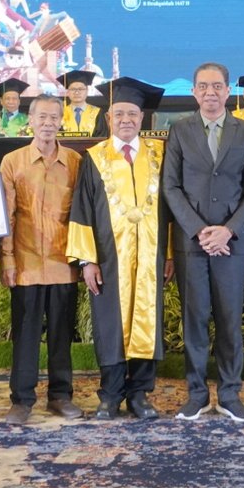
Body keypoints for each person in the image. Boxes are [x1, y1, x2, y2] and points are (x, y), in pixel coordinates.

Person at [161, 62, 244, 422]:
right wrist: (200, 230)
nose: (210, 93)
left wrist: (228, 230)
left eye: (217, 86)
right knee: (195, 320)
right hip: (192, 243)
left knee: (230, 320)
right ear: (193, 92)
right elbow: (170, 186)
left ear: (228, 90)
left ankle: (230, 394)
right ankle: (197, 394)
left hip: (231, 244)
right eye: (203, 86)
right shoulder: (179, 130)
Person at [68, 77, 173, 420]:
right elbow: (82, 209)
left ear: (142, 118)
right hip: (108, 258)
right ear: (108, 118)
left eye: (132, 114)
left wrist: (170, 253)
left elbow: (171, 207)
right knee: (110, 323)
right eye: (119, 114)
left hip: (151, 256)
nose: (126, 119)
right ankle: (110, 395)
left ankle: (140, 394)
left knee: (146, 319)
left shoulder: (159, 154)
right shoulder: (94, 158)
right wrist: (87, 260)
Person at [0, 93, 84, 424]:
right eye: (42, 117)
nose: (48, 123)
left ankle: (60, 396)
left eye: (53, 118)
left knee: (62, 335)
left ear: (61, 121)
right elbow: (6, 216)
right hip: (26, 263)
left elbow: (83, 215)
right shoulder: (12, 161)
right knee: (26, 336)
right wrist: (7, 260)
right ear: (30, 121)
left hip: (64, 263)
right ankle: (22, 400)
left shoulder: (75, 161)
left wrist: (84, 259)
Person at [58, 69, 104, 136]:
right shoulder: (61, 113)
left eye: (81, 89)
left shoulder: (97, 113)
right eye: (73, 89)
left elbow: (102, 137)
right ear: (68, 92)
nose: (77, 92)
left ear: (87, 91)